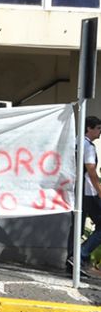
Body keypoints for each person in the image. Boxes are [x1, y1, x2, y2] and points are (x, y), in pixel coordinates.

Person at [67, 116, 101, 276]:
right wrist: (100, 190)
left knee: (77, 227)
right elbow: (92, 171)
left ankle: (71, 262)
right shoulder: (88, 146)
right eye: (98, 128)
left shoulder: (74, 141)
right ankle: (80, 256)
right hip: (88, 192)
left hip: (75, 190)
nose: (100, 132)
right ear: (89, 128)